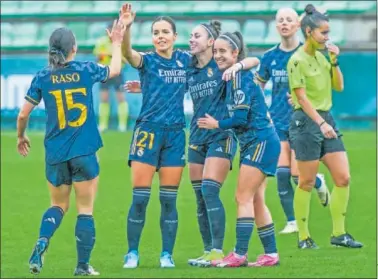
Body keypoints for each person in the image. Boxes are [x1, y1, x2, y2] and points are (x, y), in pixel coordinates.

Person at [125, 20, 260, 266]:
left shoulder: (222, 65)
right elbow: (167, 83)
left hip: (221, 134)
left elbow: (254, 62)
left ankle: (218, 250)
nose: (192, 40)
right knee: (199, 195)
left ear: (211, 41)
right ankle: (209, 250)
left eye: (196, 36)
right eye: (190, 37)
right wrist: (144, 87)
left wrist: (238, 64)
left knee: (209, 189)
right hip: (197, 137)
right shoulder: (189, 67)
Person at [17, 21, 125, 275]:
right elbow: (116, 68)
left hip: (55, 151)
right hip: (85, 149)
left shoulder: (43, 76)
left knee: (58, 205)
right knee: (85, 209)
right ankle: (82, 266)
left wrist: (21, 137)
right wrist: (117, 43)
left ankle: (42, 242)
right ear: (74, 49)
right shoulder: (86, 70)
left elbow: (23, 115)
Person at [198, 31, 280, 267]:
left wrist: (217, 124)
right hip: (259, 141)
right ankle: (271, 254)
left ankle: (239, 254)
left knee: (242, 197)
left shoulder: (238, 77)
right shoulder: (234, 74)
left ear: (235, 53)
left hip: (259, 142)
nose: (218, 55)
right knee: (256, 200)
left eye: (223, 51)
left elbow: (241, 118)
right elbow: (254, 62)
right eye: (216, 51)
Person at [287, 4, 363, 249]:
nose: (327, 37)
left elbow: (338, 86)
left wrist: (335, 60)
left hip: (326, 119)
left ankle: (339, 234)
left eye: (328, 33)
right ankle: (303, 237)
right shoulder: (296, 60)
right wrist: (320, 123)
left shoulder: (323, 56)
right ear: (309, 32)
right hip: (306, 123)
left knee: (343, 178)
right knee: (306, 182)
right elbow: (301, 98)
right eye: (323, 33)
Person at [255, 7, 330, 235]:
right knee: (281, 172)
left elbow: (321, 85)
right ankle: (291, 221)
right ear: (276, 26)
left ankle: (317, 182)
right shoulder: (269, 57)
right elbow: (258, 86)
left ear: (297, 25)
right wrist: (263, 110)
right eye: (280, 20)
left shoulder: (307, 53)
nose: (284, 23)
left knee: (299, 176)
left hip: (302, 121)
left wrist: (301, 96)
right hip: (277, 122)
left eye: (289, 19)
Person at [93, 23, 129, 132]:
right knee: (104, 98)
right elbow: (98, 57)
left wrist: (112, 55)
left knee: (121, 98)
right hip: (105, 71)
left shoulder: (121, 42)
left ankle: (122, 126)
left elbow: (126, 59)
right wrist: (109, 55)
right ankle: (103, 125)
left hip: (118, 72)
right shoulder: (101, 42)